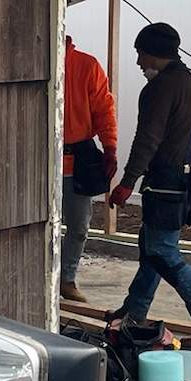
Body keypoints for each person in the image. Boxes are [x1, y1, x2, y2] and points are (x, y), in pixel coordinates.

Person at [108, 22, 191, 351]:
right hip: (187, 178)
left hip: (166, 181)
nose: (138, 62)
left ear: (154, 53)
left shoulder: (161, 87)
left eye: (140, 54)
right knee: (151, 249)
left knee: (162, 251)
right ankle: (134, 311)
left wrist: (127, 181)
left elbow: (148, 138)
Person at [60, 31, 118, 304]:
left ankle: (66, 279)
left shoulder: (87, 66)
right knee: (38, 225)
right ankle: (50, 277)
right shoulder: (32, 62)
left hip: (77, 161)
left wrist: (110, 148)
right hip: (41, 160)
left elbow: (104, 110)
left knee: (79, 226)